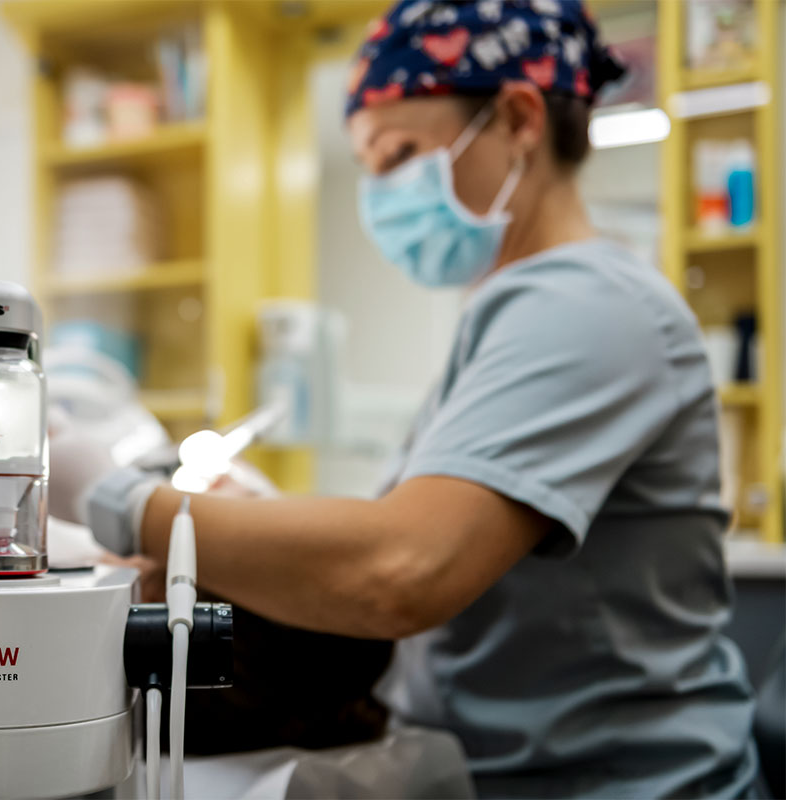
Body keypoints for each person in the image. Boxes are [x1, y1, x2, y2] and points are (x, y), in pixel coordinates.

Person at [52, 1, 760, 797]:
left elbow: (400, 568)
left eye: (399, 155)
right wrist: (259, 516)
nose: (381, 193)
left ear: (519, 119)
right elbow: (408, 532)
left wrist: (114, 497)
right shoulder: (514, 315)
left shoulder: (587, 306)